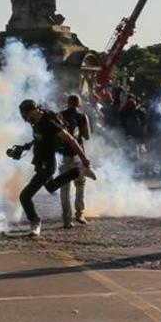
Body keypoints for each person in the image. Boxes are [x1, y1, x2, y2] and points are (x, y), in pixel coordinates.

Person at [17, 99, 96, 238]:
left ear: (33, 110)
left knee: (24, 196)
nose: (25, 119)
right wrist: (26, 147)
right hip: (40, 163)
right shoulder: (36, 122)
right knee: (51, 187)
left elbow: (71, 140)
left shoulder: (49, 124)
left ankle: (35, 223)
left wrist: (84, 159)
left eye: (26, 115)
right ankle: (78, 172)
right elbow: (38, 138)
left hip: (47, 165)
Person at [58, 94, 92, 227]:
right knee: (80, 184)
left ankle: (66, 219)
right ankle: (80, 213)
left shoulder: (59, 116)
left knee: (64, 188)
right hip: (78, 154)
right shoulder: (82, 116)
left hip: (63, 155)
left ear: (68, 103)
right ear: (79, 104)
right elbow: (87, 136)